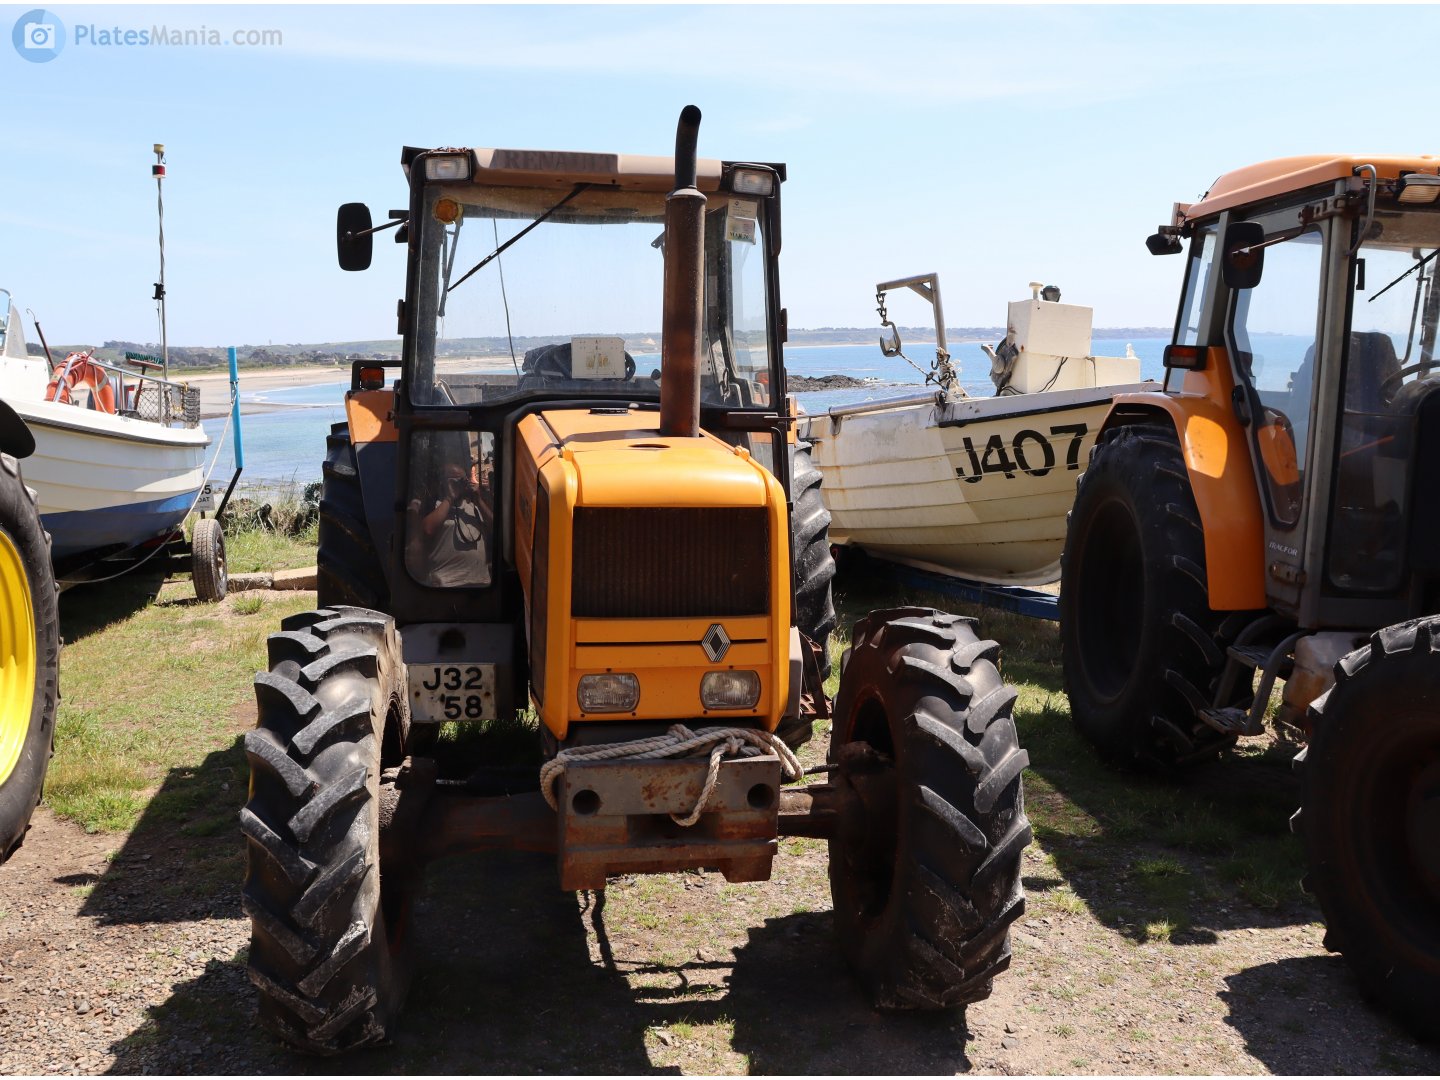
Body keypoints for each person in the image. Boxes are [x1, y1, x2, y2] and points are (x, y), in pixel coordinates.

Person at [410, 461, 491, 587]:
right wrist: (450, 498)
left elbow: (496, 528)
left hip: (480, 582)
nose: (459, 484)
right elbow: (427, 530)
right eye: (454, 480)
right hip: (446, 584)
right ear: (441, 483)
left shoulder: (474, 507)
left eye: (462, 480)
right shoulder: (435, 506)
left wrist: (478, 499)